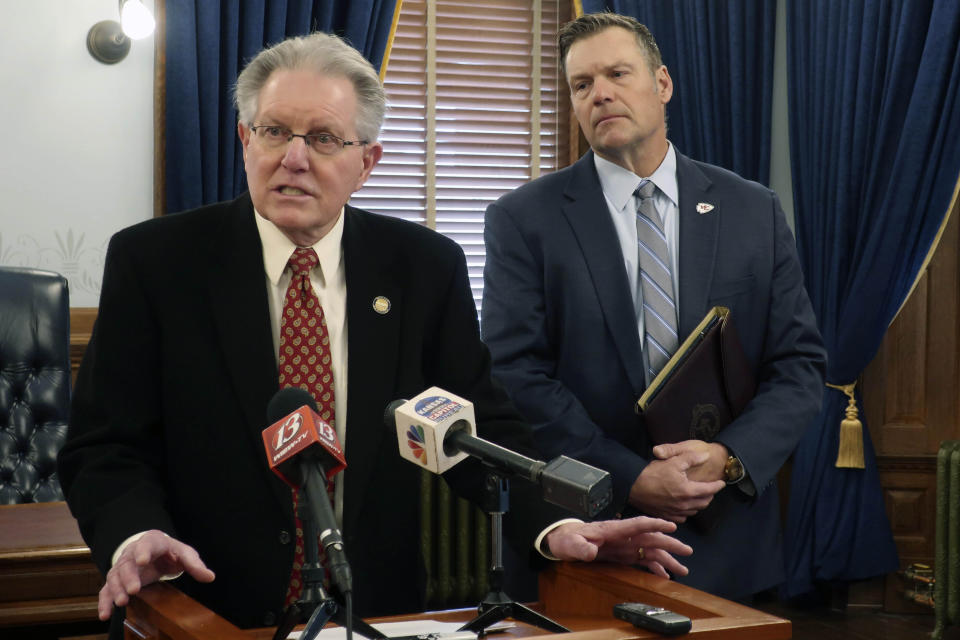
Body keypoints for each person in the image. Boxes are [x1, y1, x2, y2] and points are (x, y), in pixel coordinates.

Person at [57, 31, 692, 635]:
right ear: (244, 140)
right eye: (275, 131)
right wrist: (137, 534)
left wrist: (555, 527)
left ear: (367, 162)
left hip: (376, 612)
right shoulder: (157, 263)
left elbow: (478, 432)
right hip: (204, 608)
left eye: (325, 139)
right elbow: (105, 446)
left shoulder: (422, 266)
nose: (295, 158)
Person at [481, 12, 827, 601]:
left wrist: (728, 459)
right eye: (582, 85)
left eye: (618, 73)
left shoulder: (753, 211)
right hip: (593, 532)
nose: (601, 94)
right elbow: (516, 375)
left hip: (727, 540)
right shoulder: (524, 219)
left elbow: (798, 365)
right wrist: (632, 476)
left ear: (662, 84)